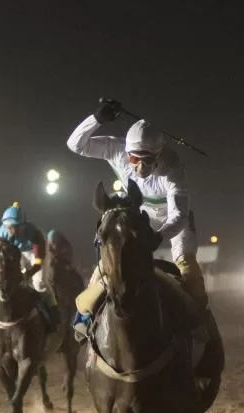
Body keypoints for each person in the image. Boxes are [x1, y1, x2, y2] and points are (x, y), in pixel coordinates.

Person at [66, 98, 205, 340]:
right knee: (110, 259)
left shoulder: (173, 172)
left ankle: (199, 323)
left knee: (188, 268)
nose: (139, 165)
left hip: (172, 221)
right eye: (133, 159)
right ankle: (85, 316)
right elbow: (75, 145)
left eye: (147, 159)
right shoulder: (117, 149)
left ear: (159, 154)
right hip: (137, 212)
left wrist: (158, 235)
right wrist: (97, 119)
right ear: (126, 153)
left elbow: (179, 216)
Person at [0, 202, 58, 343]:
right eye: (8, 227)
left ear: (23, 226)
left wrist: (26, 275)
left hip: (35, 254)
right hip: (17, 254)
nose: (10, 231)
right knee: (5, 285)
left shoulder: (36, 235)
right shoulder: (0, 235)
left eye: (14, 227)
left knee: (39, 284)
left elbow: (38, 263)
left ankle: (54, 314)